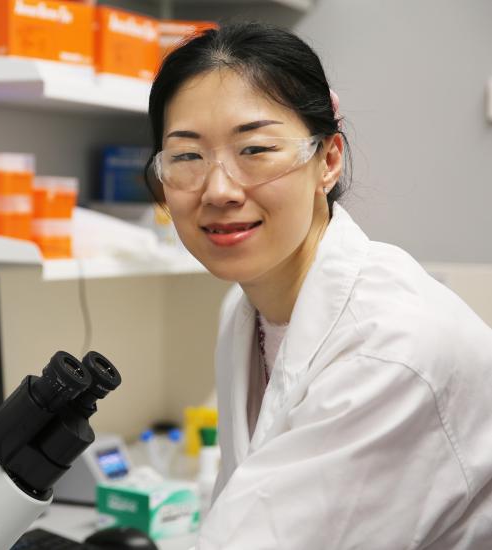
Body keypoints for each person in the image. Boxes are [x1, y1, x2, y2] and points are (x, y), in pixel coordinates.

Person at [145, 22, 492, 549]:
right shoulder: (245, 309)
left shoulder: (390, 348)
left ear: (327, 160)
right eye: (188, 157)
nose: (218, 190)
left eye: (255, 149)